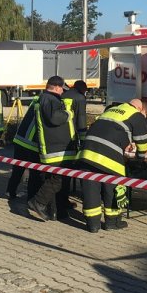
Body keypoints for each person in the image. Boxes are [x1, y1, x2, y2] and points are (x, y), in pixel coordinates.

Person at [78, 99, 147, 233]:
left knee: (90, 189)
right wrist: (140, 158)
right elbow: (143, 141)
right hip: (109, 157)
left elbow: (111, 131)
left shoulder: (111, 110)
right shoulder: (135, 114)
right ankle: (112, 222)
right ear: (140, 109)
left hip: (87, 153)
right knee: (112, 188)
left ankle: (93, 225)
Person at [27, 75, 78, 221]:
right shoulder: (49, 99)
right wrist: (68, 113)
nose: (63, 92)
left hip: (56, 149)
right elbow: (55, 118)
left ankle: (54, 212)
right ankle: (38, 202)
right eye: (62, 88)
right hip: (55, 150)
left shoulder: (46, 99)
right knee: (57, 180)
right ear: (56, 87)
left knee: (56, 180)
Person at [58, 79, 89, 217]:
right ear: (83, 90)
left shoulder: (64, 95)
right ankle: (63, 202)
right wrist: (83, 142)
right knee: (68, 171)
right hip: (71, 138)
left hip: (58, 136)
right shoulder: (80, 98)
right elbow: (81, 120)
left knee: (61, 171)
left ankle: (61, 200)